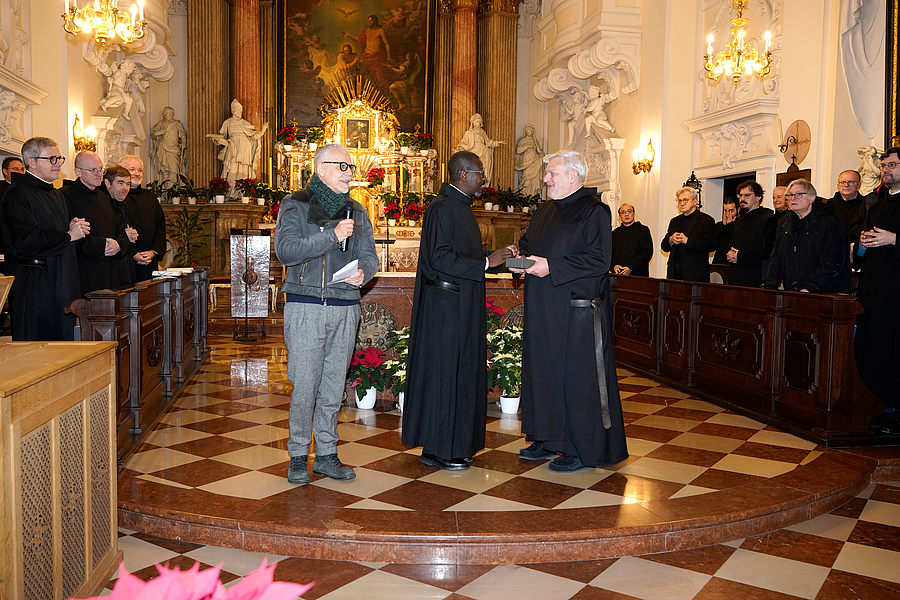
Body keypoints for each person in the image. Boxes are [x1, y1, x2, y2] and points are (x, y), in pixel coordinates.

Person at [511, 150, 628, 472]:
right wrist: (519, 259)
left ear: (573, 176)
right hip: (543, 309)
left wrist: (552, 266)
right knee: (543, 375)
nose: (545, 178)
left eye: (552, 173)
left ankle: (580, 448)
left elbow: (599, 260)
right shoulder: (545, 211)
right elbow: (528, 243)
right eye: (548, 173)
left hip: (577, 311)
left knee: (578, 382)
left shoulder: (595, 211)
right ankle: (547, 439)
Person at [402, 151, 516, 471]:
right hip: (446, 307)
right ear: (464, 175)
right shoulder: (441, 208)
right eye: (481, 174)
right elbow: (439, 258)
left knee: (462, 373)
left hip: (462, 304)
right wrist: (484, 263)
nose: (484, 180)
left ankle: (457, 444)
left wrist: (494, 255)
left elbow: (461, 254)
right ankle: (439, 449)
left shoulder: (461, 207)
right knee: (445, 376)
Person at [275, 144, 378, 484]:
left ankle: (328, 455)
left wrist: (364, 273)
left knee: (334, 386)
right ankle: (298, 455)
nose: (349, 172)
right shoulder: (295, 204)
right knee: (305, 386)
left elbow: (369, 257)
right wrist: (332, 236)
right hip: (306, 306)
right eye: (342, 166)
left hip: (345, 307)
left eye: (351, 167)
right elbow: (286, 251)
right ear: (320, 169)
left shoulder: (357, 211)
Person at [0, 137, 88, 340]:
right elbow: (25, 239)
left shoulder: (56, 195)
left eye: (59, 158)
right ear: (31, 161)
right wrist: (67, 236)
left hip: (60, 277)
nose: (58, 163)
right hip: (36, 283)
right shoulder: (17, 193)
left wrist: (75, 229)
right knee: (41, 343)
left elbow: (64, 236)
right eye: (52, 159)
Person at [854, 147, 900, 435]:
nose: (886, 169)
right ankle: (887, 407)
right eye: (884, 165)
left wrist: (895, 239)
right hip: (876, 290)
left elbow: (892, 240)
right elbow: (864, 252)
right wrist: (863, 242)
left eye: (893, 164)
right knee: (880, 347)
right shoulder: (879, 204)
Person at [61, 151, 130, 296]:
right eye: (93, 170)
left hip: (110, 270)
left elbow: (120, 229)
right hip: (84, 271)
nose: (99, 173)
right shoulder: (65, 196)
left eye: (100, 169)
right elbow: (68, 236)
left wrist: (119, 245)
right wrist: (101, 245)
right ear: (78, 172)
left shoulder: (104, 198)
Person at [764, 178, 851, 294]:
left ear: (812, 198)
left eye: (798, 194)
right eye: (790, 195)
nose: (793, 198)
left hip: (824, 293)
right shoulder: (784, 224)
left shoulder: (830, 224)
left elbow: (832, 262)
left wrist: (812, 288)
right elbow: (776, 259)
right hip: (793, 292)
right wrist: (770, 287)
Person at [207, 99, 268, 193]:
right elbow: (223, 136)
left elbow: (254, 136)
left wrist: (263, 130)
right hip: (233, 147)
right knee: (231, 168)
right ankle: (230, 192)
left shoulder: (245, 123)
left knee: (244, 169)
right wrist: (217, 140)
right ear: (233, 111)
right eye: (237, 110)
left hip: (245, 147)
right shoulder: (227, 122)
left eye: (240, 110)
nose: (239, 112)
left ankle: (242, 193)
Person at [121, 155, 167, 281]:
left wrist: (154, 252)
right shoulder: (118, 198)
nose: (137, 173)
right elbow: (116, 229)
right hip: (126, 261)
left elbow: (160, 227)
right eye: (132, 169)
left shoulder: (150, 197)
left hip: (149, 261)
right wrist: (133, 253)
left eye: (140, 170)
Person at [727, 180, 777, 288]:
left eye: (747, 195)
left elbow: (769, 250)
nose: (742, 199)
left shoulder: (768, 219)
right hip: (736, 276)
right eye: (740, 196)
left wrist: (740, 256)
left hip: (756, 277)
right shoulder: (739, 222)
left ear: (758, 197)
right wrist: (731, 254)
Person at [661, 187, 717, 282]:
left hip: (695, 274)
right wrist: (670, 240)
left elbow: (711, 245)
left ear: (695, 201)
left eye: (686, 200)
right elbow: (664, 246)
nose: (682, 203)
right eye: (680, 201)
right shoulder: (674, 221)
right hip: (674, 272)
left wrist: (687, 241)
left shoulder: (706, 220)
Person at [456, 113, 504, 187]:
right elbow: (464, 142)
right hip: (474, 152)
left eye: (478, 122)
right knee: (474, 167)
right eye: (475, 122)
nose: (476, 124)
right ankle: (473, 182)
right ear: (472, 123)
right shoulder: (469, 133)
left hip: (484, 151)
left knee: (485, 167)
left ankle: (484, 182)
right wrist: (461, 148)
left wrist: (496, 143)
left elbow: (488, 142)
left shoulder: (482, 132)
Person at [825, 170, 868, 242]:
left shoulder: (866, 204)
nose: (846, 185)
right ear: (838, 186)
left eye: (851, 182)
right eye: (843, 182)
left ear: (859, 185)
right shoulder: (828, 205)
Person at [610, 204, 653, 276]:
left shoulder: (643, 230)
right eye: (623, 212)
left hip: (638, 275)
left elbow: (647, 252)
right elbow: (609, 253)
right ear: (619, 216)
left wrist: (631, 267)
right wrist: (614, 265)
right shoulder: (614, 233)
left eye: (629, 211)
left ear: (634, 214)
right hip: (618, 275)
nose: (626, 214)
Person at [150, 106, 187, 188]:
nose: (170, 116)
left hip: (174, 150)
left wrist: (183, 143)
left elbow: (183, 136)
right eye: (168, 115)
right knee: (165, 171)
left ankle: (173, 192)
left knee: (174, 171)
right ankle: (165, 192)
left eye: (171, 114)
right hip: (163, 148)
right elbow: (153, 135)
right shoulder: (160, 124)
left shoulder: (177, 124)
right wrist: (160, 132)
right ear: (164, 115)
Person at [514, 124, 544, 197]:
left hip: (535, 160)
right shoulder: (523, 140)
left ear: (532, 131)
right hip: (527, 160)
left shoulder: (535, 140)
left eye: (529, 130)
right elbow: (518, 151)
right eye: (526, 130)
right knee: (526, 178)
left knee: (534, 179)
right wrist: (527, 146)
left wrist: (542, 156)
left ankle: (532, 195)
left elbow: (539, 150)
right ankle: (524, 195)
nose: (528, 132)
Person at [713, 197, 738, 264]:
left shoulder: (740, 225)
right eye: (725, 211)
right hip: (719, 262)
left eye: (731, 211)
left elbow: (736, 240)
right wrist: (723, 225)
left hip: (733, 262)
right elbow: (713, 242)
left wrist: (730, 225)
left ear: (738, 210)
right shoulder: (719, 225)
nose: (728, 214)